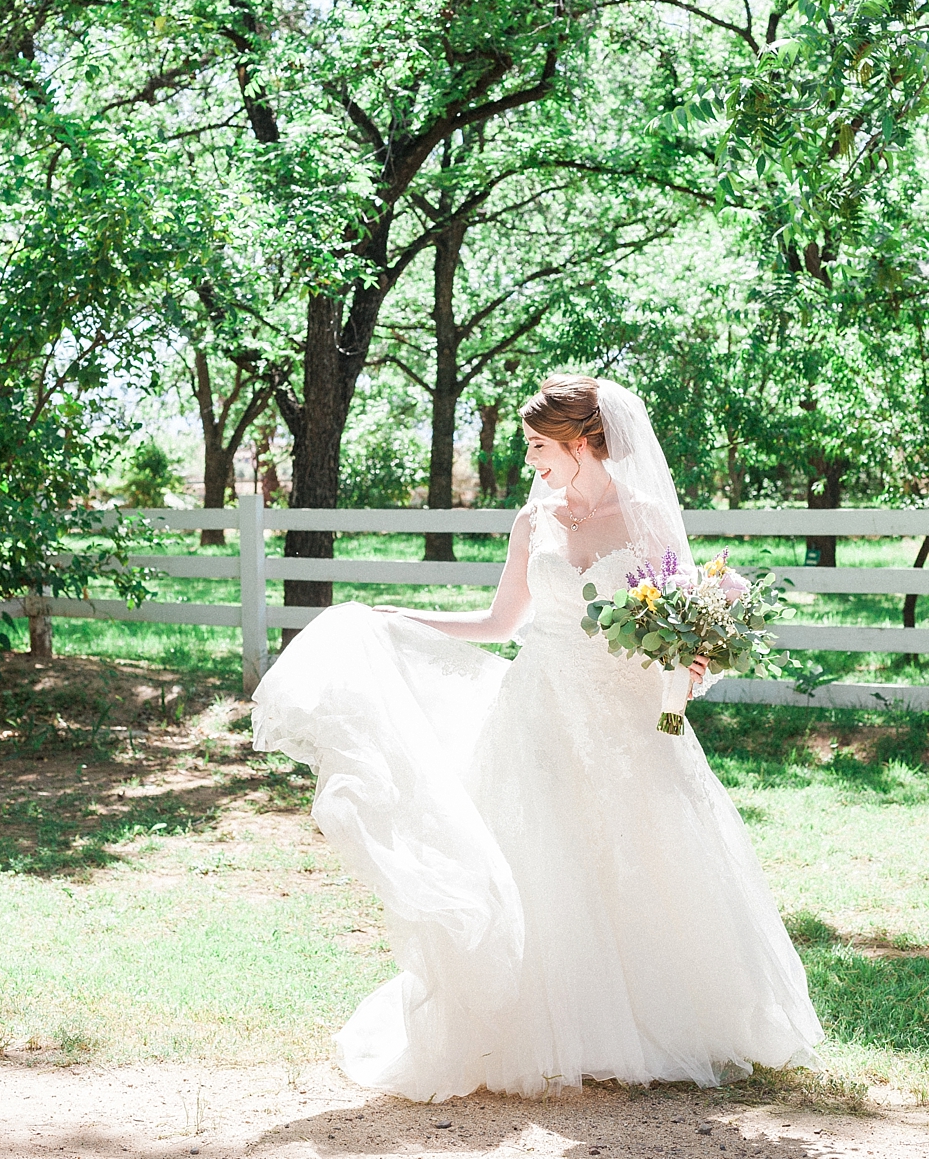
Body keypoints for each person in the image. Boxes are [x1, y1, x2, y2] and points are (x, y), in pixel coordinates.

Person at [252, 374, 822, 1102]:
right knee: (541, 860)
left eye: (538, 447)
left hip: (627, 719)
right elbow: (498, 625)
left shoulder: (646, 516)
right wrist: (403, 620)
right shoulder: (534, 520)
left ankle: (668, 1020)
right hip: (538, 710)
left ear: (582, 441)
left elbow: (685, 621)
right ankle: (547, 1027)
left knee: (645, 855)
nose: (532, 462)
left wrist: (697, 660)